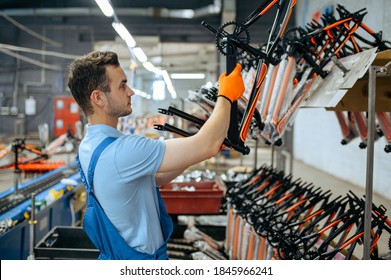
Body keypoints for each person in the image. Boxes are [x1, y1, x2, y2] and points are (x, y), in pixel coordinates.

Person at [67, 50, 244, 260]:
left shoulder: (89, 145)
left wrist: (188, 155)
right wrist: (226, 96)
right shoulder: (123, 151)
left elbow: (152, 178)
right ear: (98, 98)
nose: (131, 91)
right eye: (122, 85)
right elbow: (207, 144)